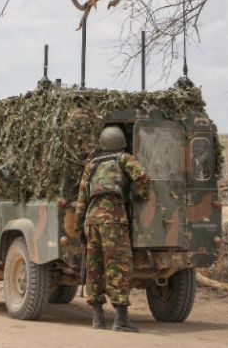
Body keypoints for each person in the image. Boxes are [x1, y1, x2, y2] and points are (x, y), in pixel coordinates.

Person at [74, 126, 150, 332]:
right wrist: (142, 196)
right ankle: (121, 319)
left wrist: (78, 225)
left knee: (94, 268)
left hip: (92, 220)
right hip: (114, 220)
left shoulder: (92, 164)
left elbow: (81, 197)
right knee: (118, 266)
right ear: (122, 142)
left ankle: (97, 319)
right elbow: (142, 177)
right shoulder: (124, 159)